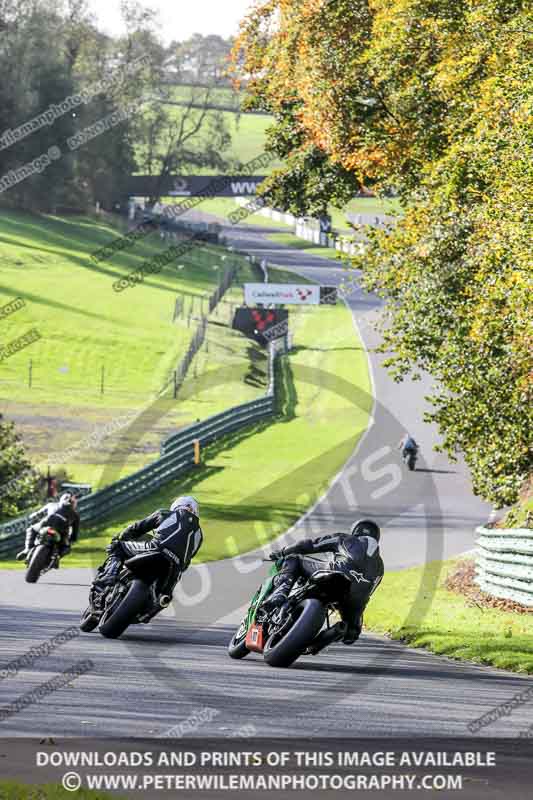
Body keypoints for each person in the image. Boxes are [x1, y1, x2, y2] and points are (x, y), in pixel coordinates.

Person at [263, 519, 384, 644]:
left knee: (294, 559)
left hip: (334, 577)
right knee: (351, 632)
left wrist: (283, 551)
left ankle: (280, 594)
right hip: (354, 600)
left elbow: (310, 545)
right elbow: (368, 593)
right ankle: (346, 630)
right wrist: (354, 619)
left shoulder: (345, 539)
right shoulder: (380, 567)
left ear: (356, 531)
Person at [95, 495, 203, 596]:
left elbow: (137, 528)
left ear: (176, 506)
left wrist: (121, 538)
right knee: (162, 598)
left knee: (118, 546)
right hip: (174, 572)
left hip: (156, 549)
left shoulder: (166, 514)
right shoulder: (199, 535)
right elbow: (187, 561)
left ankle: (108, 576)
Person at [16, 492, 80, 563]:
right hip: (61, 532)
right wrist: (72, 540)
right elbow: (75, 532)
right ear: (73, 504)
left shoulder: (51, 505)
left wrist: (32, 517)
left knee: (31, 529)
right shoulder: (75, 515)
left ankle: (27, 549)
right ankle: (57, 558)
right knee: (67, 547)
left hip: (45, 525)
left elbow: (38, 514)